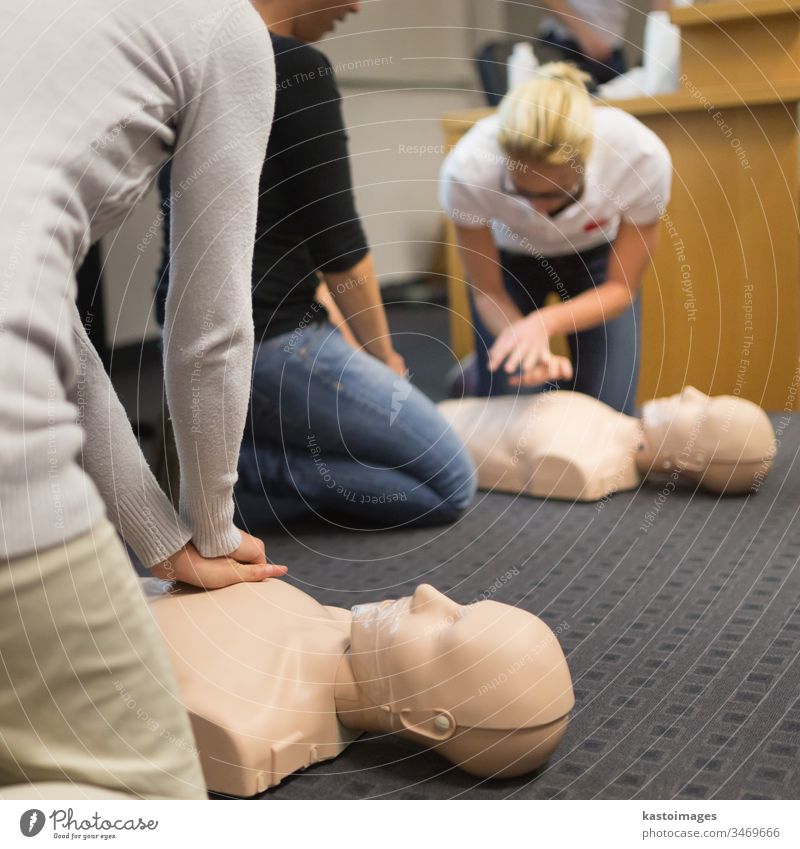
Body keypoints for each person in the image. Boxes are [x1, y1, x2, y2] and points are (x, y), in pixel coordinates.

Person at [0, 0, 284, 799]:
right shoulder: (227, 28)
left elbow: (40, 311)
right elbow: (210, 328)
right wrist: (215, 532)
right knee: (149, 801)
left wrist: (160, 536)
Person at [157, 0, 477, 529]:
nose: (356, 4)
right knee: (449, 483)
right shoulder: (293, 65)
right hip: (270, 344)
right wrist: (384, 359)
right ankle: (241, 467)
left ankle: (221, 438)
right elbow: (340, 247)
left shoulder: (197, 63)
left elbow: (286, 230)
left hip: (189, 339)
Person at [439, 62, 672, 415]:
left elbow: (621, 288)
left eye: (557, 195)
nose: (539, 210)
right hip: (511, 264)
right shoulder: (469, 168)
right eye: (521, 191)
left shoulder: (639, 156)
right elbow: (487, 290)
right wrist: (524, 341)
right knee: (510, 407)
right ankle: (479, 376)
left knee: (610, 415)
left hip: (595, 260)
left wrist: (543, 324)